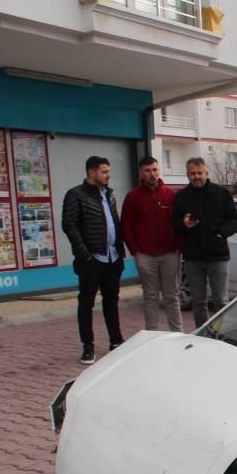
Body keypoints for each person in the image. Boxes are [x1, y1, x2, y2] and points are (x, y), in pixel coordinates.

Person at [62, 155, 125, 365]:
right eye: (104, 171)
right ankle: (88, 347)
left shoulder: (109, 194)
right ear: (92, 173)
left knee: (111, 300)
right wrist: (85, 255)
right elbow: (69, 226)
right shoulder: (76, 195)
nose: (108, 175)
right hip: (91, 259)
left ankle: (116, 341)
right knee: (86, 303)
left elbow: (114, 223)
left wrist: (120, 251)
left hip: (112, 257)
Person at [171, 157, 237, 326]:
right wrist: (184, 224)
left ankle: (223, 336)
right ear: (187, 175)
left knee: (221, 301)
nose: (196, 176)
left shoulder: (221, 193)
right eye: (192, 173)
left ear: (206, 173)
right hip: (193, 257)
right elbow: (174, 224)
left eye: (199, 172)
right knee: (198, 302)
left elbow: (235, 219)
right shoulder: (181, 196)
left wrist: (222, 233)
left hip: (217, 255)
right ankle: (203, 336)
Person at [121, 156, 182, 332]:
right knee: (150, 297)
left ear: (159, 170)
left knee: (172, 297)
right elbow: (126, 226)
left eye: (154, 170)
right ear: (141, 172)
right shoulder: (133, 197)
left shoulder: (170, 194)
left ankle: (177, 334)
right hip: (145, 255)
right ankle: (152, 335)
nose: (152, 174)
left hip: (170, 254)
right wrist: (136, 252)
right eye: (148, 171)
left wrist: (177, 248)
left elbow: (178, 224)